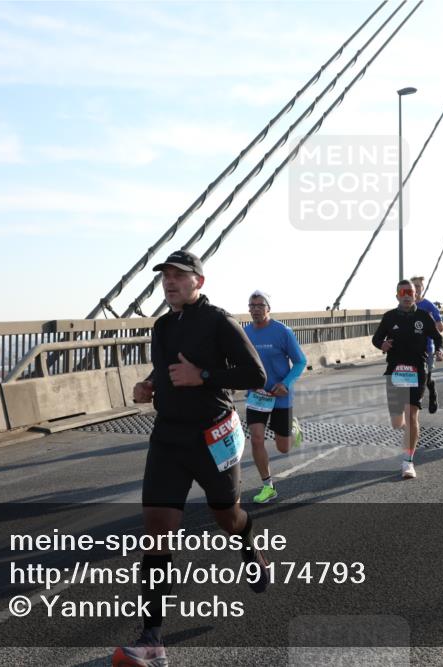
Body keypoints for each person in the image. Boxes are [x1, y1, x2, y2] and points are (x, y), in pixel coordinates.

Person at [117, 250, 269, 667]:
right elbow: (164, 369)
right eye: (165, 277)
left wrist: (202, 376)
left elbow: (255, 375)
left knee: (227, 516)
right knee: (156, 532)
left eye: (178, 276)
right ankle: (152, 638)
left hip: (211, 436)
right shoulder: (163, 326)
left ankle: (247, 542)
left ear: (198, 282)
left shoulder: (219, 322)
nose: (169, 283)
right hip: (168, 437)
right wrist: (148, 384)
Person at [372, 279, 443, 479]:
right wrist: (382, 345)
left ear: (416, 295)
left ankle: (408, 462)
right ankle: (406, 430)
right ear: (397, 295)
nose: (406, 295)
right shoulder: (389, 317)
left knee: (412, 415)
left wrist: (439, 350)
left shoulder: (423, 316)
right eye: (402, 291)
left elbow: (438, 337)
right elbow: (376, 338)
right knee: (397, 422)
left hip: (417, 369)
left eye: (410, 292)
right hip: (395, 369)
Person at [244, 290, 306, 504]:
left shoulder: (282, 332)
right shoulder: (245, 333)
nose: (255, 309)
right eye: (252, 306)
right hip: (257, 396)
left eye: (260, 305)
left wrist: (286, 384)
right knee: (256, 438)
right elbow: (242, 362)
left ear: (268, 308)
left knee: (283, 447)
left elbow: (300, 362)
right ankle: (268, 486)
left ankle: (293, 428)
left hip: (280, 395)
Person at [411, 276, 443, 413]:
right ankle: (413, 408)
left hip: (427, 348)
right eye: (415, 286)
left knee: (426, 378)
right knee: (412, 379)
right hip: (410, 349)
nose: (417, 288)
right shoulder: (406, 306)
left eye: (419, 286)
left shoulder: (429, 305)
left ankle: (432, 393)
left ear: (423, 288)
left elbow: (440, 328)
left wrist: (431, 324)